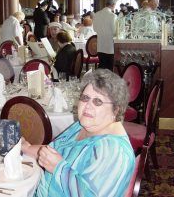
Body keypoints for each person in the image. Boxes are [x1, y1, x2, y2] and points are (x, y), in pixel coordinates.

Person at [22, 69, 135, 197]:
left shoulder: (114, 151)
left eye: (98, 101)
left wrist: (59, 169)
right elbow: (51, 152)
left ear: (115, 110)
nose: (87, 106)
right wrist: (26, 147)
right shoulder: (82, 126)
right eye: (85, 98)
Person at [93, 0, 117, 71]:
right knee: (109, 68)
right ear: (113, 5)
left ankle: (99, 82)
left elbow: (94, 29)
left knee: (102, 66)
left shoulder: (96, 14)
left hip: (100, 46)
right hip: (110, 47)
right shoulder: (113, 16)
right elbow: (114, 32)